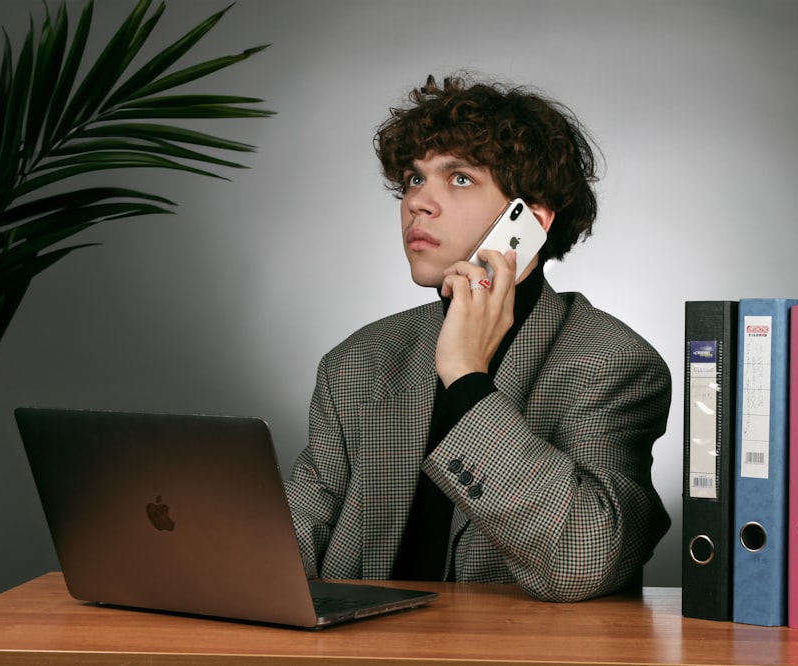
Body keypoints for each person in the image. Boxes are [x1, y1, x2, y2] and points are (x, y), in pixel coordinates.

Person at [284, 74, 671, 602]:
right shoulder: (358, 362)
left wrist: (466, 378)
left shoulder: (611, 364)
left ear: (529, 222)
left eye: (459, 178)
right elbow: (287, 544)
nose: (418, 202)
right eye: (413, 180)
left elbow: (585, 559)